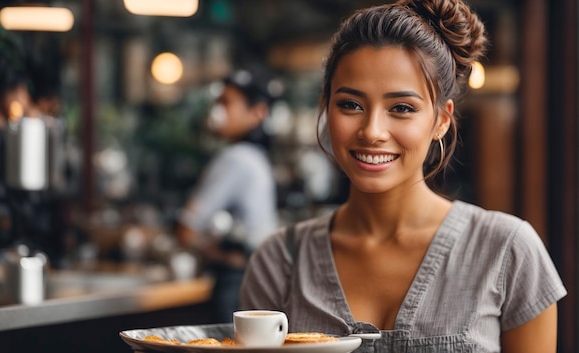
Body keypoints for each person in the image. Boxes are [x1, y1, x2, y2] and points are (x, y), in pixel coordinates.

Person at [239, 0, 567, 352]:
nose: (372, 131)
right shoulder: (280, 261)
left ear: (442, 120)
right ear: (326, 107)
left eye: (402, 108)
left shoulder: (507, 251)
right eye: (350, 104)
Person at [176, 68, 279, 323]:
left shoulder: (235, 159)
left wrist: (210, 251)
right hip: (262, 279)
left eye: (226, 102)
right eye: (217, 101)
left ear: (258, 113)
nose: (218, 110)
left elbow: (186, 229)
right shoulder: (255, 157)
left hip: (236, 281)